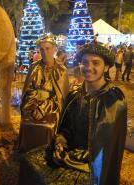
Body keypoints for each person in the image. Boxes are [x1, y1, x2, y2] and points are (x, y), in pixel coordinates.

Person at [52, 42, 127, 185]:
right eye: (84, 62)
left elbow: (103, 151)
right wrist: (61, 143)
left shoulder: (113, 100)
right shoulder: (75, 94)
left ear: (106, 67)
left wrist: (71, 156)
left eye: (95, 63)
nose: (88, 67)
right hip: (69, 155)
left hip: (93, 169)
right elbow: (67, 128)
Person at [18, 34, 69, 152]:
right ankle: (27, 151)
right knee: (27, 121)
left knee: (48, 126)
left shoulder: (62, 71)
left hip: (52, 107)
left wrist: (43, 109)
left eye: (48, 48)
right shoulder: (34, 67)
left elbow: (60, 98)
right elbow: (28, 91)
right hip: (32, 104)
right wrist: (34, 107)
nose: (45, 52)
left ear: (54, 49)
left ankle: (48, 152)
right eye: (42, 49)